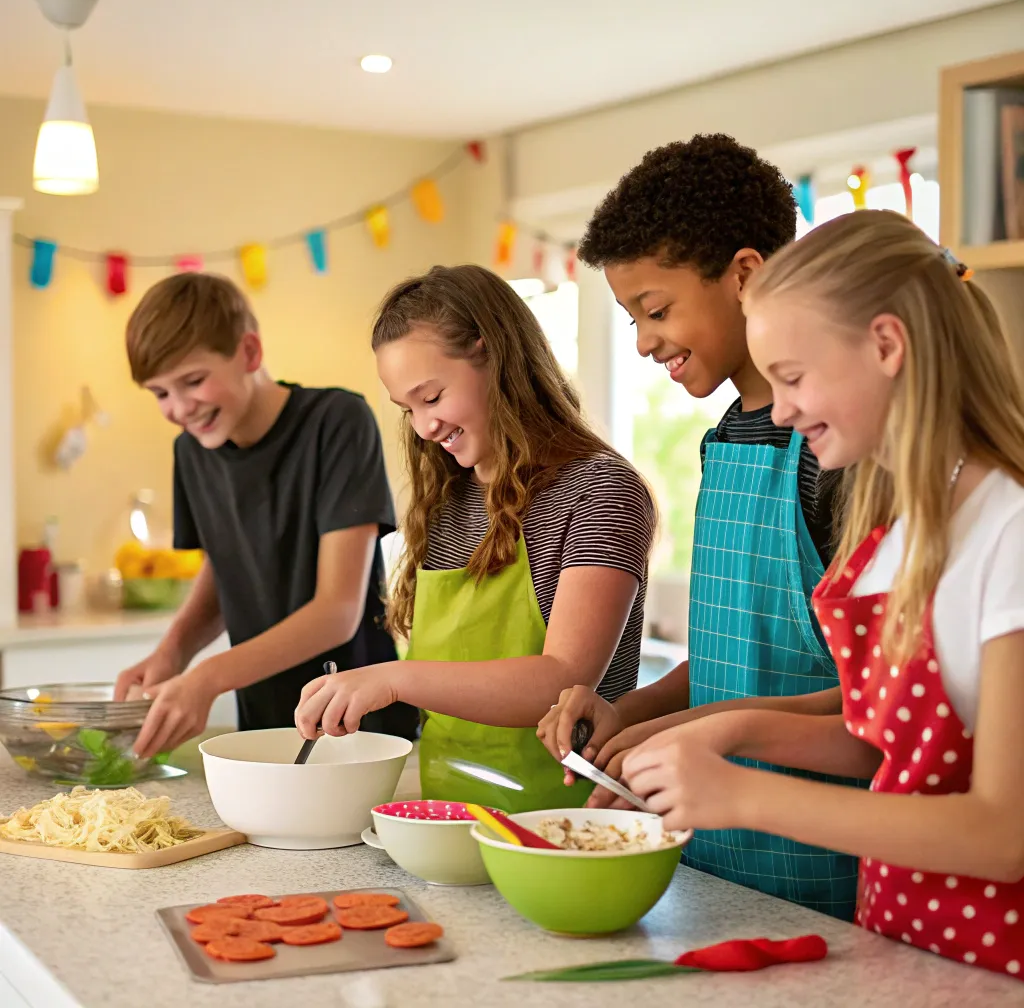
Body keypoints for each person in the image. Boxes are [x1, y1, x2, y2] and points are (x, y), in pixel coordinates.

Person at [622, 209, 1024, 979]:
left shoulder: (1008, 529)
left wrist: (741, 794)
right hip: (903, 949)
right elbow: (885, 743)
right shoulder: (903, 523)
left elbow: (1002, 835)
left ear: (885, 345)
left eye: (794, 378)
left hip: (994, 963)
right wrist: (731, 732)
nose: (779, 410)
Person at [538, 133, 861, 920]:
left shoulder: (836, 450)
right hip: (712, 854)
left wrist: (683, 730)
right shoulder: (724, 440)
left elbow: (869, 696)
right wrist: (635, 711)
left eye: (656, 310)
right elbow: (733, 655)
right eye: (632, 320)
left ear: (745, 276)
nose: (645, 341)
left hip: (824, 867)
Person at [294, 264, 656, 812]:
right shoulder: (449, 499)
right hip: (444, 819)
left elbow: (561, 681)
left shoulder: (599, 490)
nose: (422, 427)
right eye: (408, 409)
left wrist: (393, 680)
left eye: (433, 397)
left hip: (566, 822)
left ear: (496, 360)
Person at [114, 273, 418, 755]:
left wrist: (209, 676)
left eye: (193, 381)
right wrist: (173, 652)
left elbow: (336, 612)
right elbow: (224, 575)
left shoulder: (337, 422)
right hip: (259, 730)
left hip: (358, 732)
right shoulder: (191, 454)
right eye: (160, 393)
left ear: (250, 353)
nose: (179, 408)